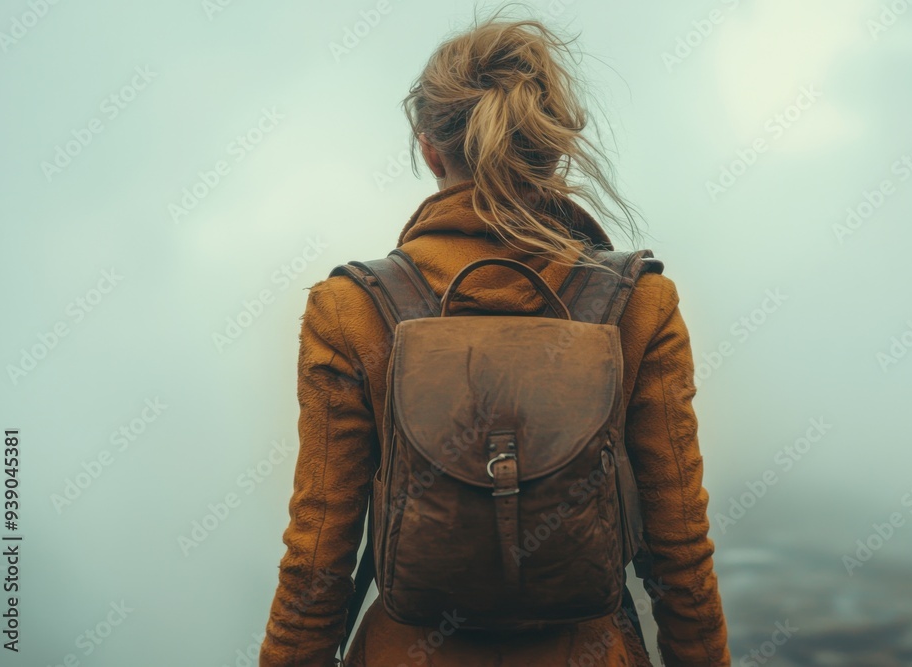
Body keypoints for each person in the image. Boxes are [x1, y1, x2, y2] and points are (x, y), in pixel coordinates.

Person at [259, 12, 730, 667]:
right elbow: (678, 548)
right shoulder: (637, 303)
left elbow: (318, 562)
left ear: (429, 148)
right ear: (555, 148)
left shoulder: (350, 310)